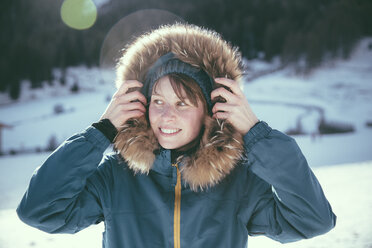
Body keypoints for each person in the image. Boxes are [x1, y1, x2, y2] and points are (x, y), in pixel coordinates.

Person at [17, 23, 336, 247]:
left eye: (183, 103)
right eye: (158, 101)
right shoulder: (115, 178)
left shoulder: (240, 183)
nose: (166, 116)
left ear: (213, 111)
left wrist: (255, 133)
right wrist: (100, 133)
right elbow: (39, 211)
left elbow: (312, 220)